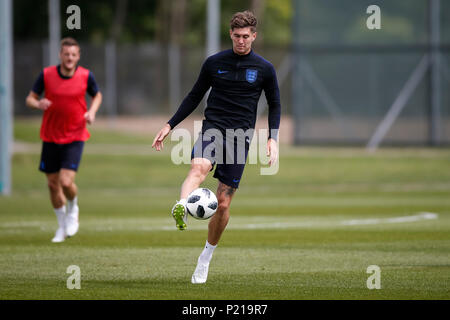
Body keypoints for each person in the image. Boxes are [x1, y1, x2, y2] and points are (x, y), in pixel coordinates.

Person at [152, 11, 281, 284]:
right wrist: (170, 125)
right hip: (213, 128)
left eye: (246, 36)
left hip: (240, 137)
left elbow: (275, 104)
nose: (241, 41)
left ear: (254, 36)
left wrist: (273, 138)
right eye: (237, 36)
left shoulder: (265, 69)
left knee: (222, 204)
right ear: (230, 35)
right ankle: (182, 206)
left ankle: (205, 258)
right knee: (199, 166)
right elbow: (194, 96)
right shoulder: (214, 63)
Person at [26, 37, 102, 243]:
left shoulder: (86, 76)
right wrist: (38, 103)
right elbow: (30, 98)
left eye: (73, 55)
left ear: (78, 57)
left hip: (75, 135)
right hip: (50, 136)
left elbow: (97, 96)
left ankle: (73, 207)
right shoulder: (47, 74)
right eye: (66, 54)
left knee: (66, 181)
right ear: (60, 55)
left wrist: (92, 113)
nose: (69, 58)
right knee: (52, 184)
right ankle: (61, 226)